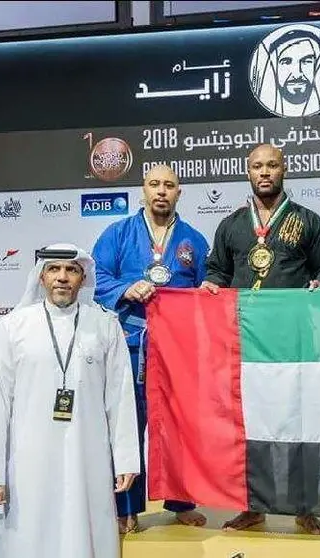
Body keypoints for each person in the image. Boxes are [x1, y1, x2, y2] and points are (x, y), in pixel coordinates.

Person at [201, 143, 320, 534]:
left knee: (301, 423)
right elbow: (217, 270)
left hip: (296, 341)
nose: (265, 172)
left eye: (272, 165)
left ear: (284, 170)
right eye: (258, 166)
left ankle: (303, 507)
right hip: (247, 343)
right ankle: (253, 505)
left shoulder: (307, 220)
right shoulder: (231, 225)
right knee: (252, 426)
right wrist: (211, 286)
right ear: (248, 172)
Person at [0, 243, 140, 558]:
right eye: (54, 269)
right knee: (32, 538)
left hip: (88, 457)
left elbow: (119, 397)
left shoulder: (105, 325)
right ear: (41, 276)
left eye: (71, 270)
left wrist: (126, 458)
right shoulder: (13, 327)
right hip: (29, 463)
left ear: (83, 278)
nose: (62, 277)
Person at [92, 164, 209, 533]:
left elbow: (207, 288)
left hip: (176, 350)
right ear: (143, 189)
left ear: (179, 192)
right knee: (128, 425)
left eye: (169, 185)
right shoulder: (119, 233)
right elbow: (95, 277)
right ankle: (125, 507)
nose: (161, 191)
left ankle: (180, 502)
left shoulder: (194, 239)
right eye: (154, 184)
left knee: (176, 427)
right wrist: (125, 290)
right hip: (128, 345)